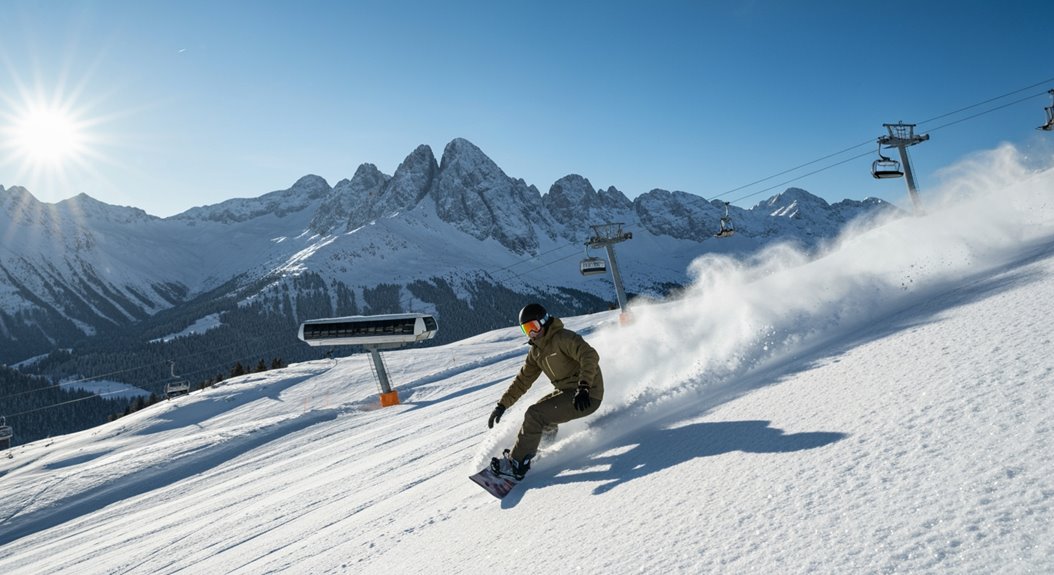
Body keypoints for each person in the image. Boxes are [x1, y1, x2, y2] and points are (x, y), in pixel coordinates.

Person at [487, 303, 603, 479]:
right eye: (526, 329)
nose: (531, 333)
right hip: (569, 392)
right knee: (541, 412)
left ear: (544, 321)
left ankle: (516, 465)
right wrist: (502, 405)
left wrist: (584, 386)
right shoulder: (536, 352)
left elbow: (590, 355)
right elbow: (522, 380)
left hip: (587, 395)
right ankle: (540, 448)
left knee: (535, 414)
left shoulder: (563, 338)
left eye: (533, 327)